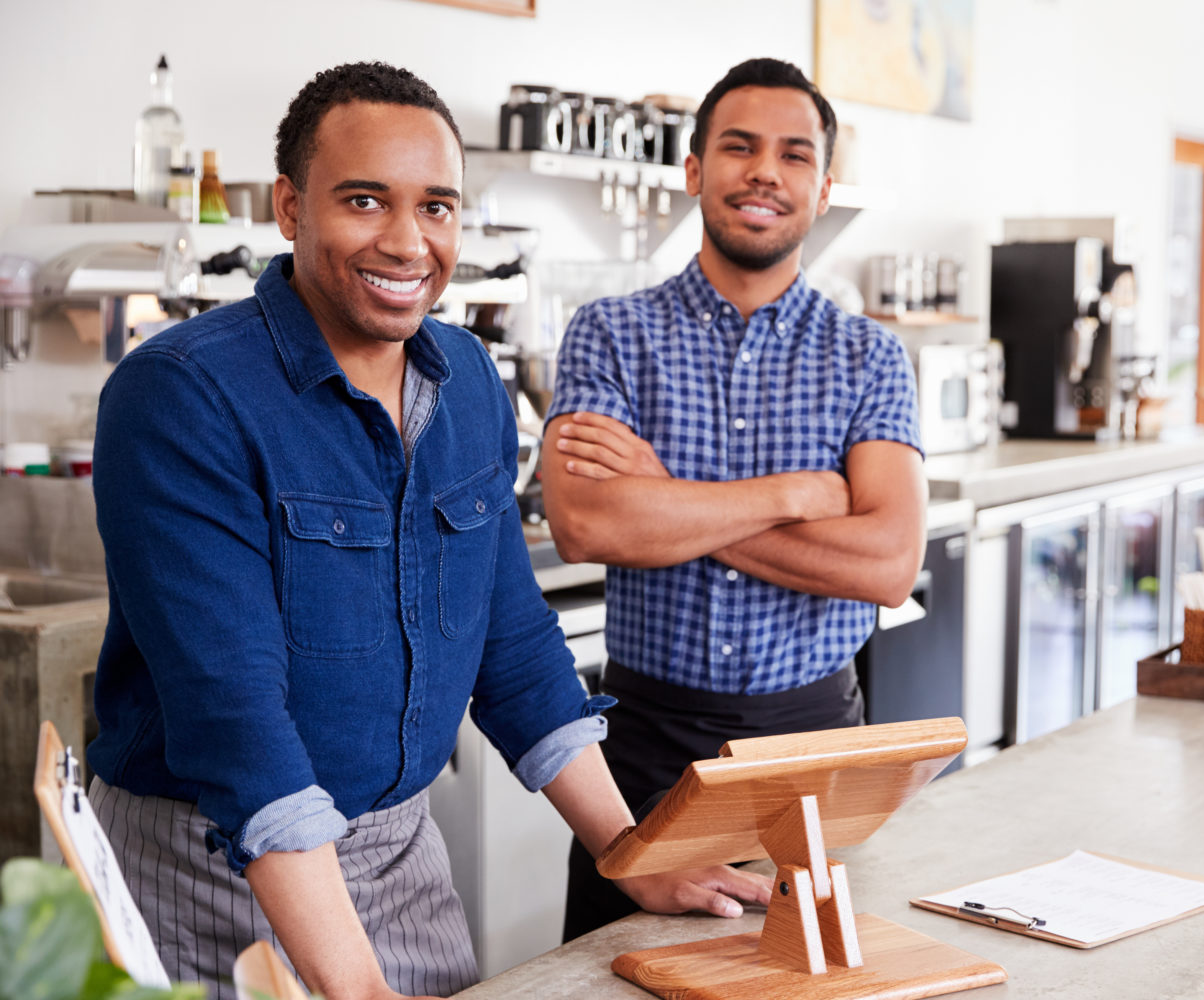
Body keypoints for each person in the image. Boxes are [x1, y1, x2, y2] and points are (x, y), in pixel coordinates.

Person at [86, 61, 767, 1000]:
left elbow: (514, 644)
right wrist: (359, 988)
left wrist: (625, 850)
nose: (408, 243)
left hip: (402, 860)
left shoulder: (467, 380)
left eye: (438, 207)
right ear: (290, 206)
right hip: (215, 873)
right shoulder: (181, 396)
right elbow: (235, 722)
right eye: (365, 201)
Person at [543, 57, 927, 941]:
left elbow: (885, 562)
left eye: (794, 155)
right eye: (739, 147)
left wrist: (668, 503)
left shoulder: (867, 357)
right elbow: (586, 522)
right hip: (641, 757)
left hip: (812, 759)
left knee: (803, 986)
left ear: (823, 187)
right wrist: (793, 496)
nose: (765, 171)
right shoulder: (610, 333)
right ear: (694, 171)